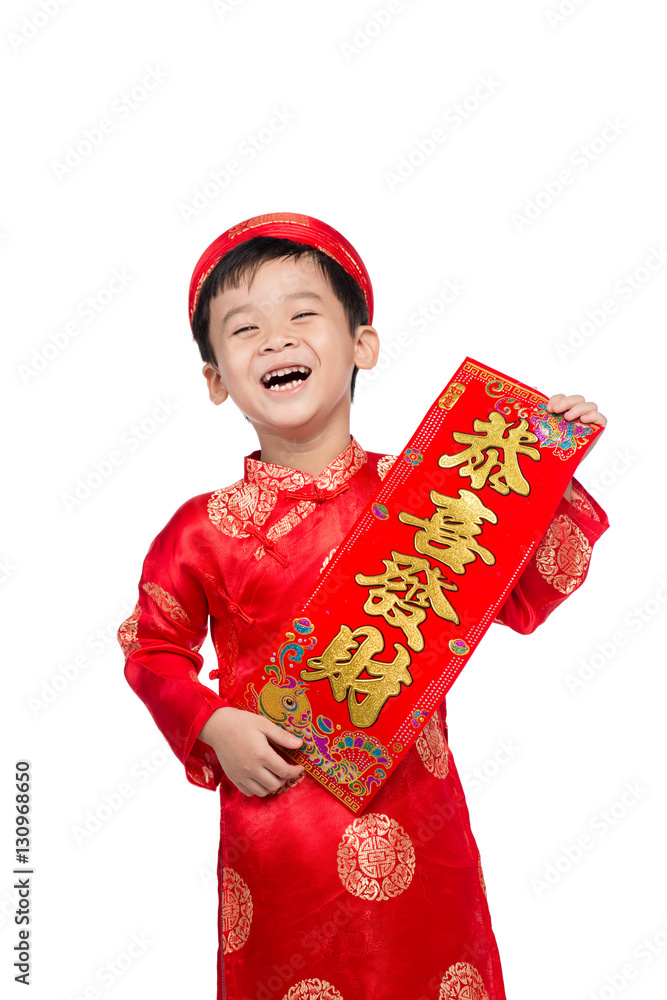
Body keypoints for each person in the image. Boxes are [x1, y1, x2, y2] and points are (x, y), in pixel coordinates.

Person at [117, 212, 609, 1000]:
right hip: (276, 835)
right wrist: (211, 723)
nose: (275, 339)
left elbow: (522, 597)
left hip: (420, 822)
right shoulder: (200, 530)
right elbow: (152, 651)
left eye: (302, 313)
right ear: (215, 380)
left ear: (362, 345)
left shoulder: (436, 496)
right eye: (243, 329)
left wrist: (542, 470)